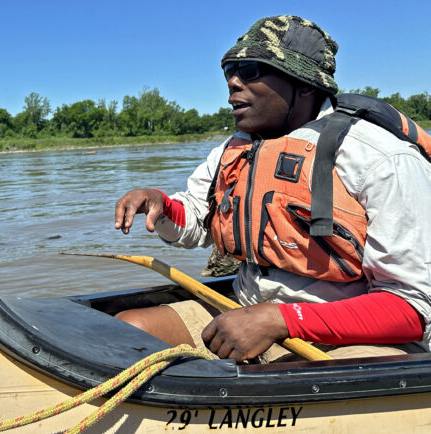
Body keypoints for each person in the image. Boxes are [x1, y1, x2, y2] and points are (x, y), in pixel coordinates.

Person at [113, 15, 431, 363]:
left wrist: (281, 320)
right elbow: (192, 225)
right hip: (248, 312)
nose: (233, 82)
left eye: (250, 69)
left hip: (348, 334)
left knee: (294, 374)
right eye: (229, 71)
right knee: (130, 329)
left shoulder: (383, 159)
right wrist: (161, 204)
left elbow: (413, 307)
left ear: (306, 85)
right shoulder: (235, 149)